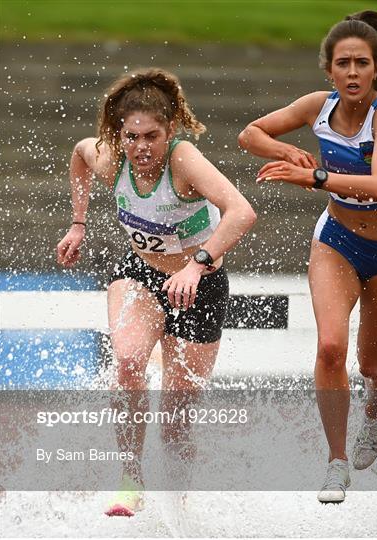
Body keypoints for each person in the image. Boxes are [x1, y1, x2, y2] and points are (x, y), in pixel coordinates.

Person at [238, 10, 377, 504]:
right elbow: (250, 134)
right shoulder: (316, 106)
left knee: (369, 361)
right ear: (328, 70)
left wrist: (315, 177)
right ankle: (336, 462)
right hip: (337, 242)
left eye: (361, 63)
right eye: (342, 63)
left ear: (375, 68)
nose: (351, 72)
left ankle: (376, 406)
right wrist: (289, 153)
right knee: (329, 347)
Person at [57, 67, 256, 516]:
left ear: (170, 131)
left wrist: (197, 264)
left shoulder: (184, 160)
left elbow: (241, 212)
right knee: (127, 362)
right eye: (131, 137)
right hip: (141, 276)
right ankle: (130, 477)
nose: (141, 148)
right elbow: (78, 153)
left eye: (151, 136)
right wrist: (78, 222)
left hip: (199, 288)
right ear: (119, 134)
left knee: (175, 423)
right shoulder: (112, 159)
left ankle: (177, 504)